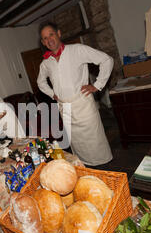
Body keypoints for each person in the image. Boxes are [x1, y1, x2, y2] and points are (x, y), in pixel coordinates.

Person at [36, 22, 114, 166]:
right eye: (45, 38)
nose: (49, 40)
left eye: (51, 35)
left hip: (83, 106)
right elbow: (41, 82)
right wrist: (52, 93)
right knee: (78, 150)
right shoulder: (46, 63)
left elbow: (106, 60)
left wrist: (97, 85)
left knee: (95, 146)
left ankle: (107, 172)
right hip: (65, 110)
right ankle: (85, 174)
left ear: (58, 34)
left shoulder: (77, 50)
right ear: (43, 42)